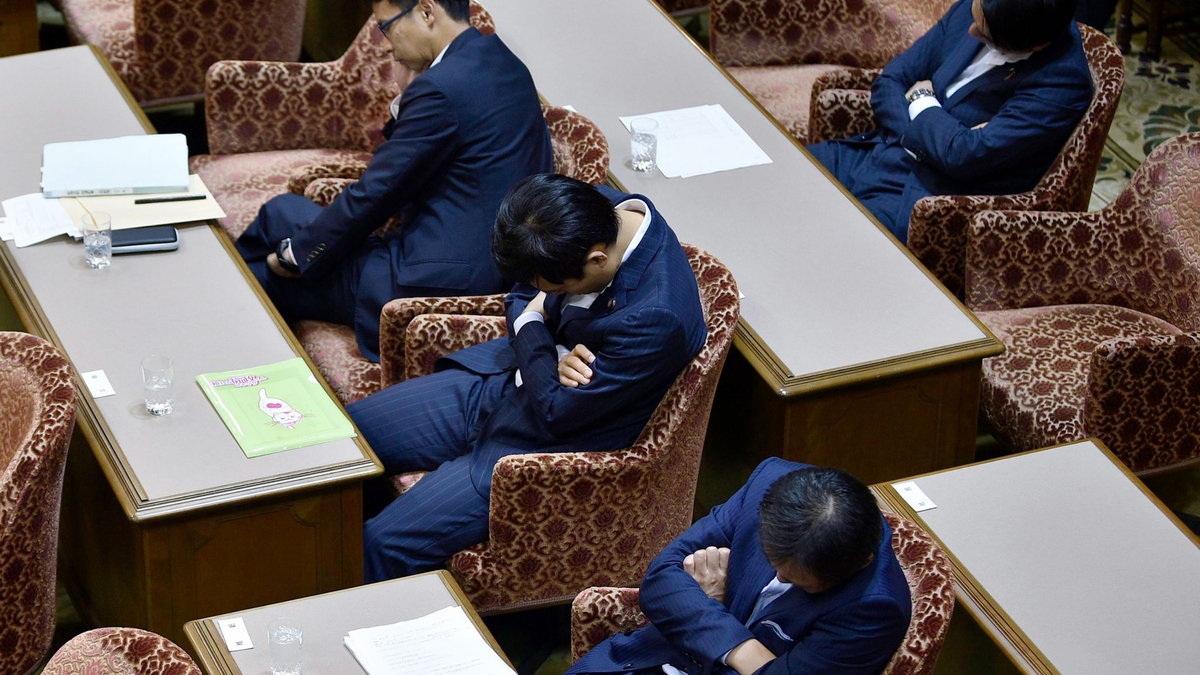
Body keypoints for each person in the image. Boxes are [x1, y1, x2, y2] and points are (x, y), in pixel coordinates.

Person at [348, 174, 708, 582]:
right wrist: (543, 336)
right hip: (498, 383)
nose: (540, 288)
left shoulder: (656, 317)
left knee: (378, 543)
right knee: (343, 437)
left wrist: (535, 324)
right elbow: (521, 293)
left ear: (596, 261)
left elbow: (558, 410)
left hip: (533, 448)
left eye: (551, 287)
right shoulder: (589, 210)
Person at [235, 0, 553, 362]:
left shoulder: (442, 86)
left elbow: (376, 193)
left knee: (261, 274)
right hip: (489, 265)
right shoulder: (504, 62)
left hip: (428, 281)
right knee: (281, 211)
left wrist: (296, 256)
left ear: (427, 12)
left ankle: (223, 290)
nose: (385, 43)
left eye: (386, 26)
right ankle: (233, 270)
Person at [569, 458, 912, 675]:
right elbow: (660, 580)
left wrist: (709, 606)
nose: (778, 579)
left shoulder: (874, 607)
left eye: (800, 582)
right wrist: (741, 647)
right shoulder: (770, 483)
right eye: (775, 562)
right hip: (645, 658)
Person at [806, 0, 1092, 243]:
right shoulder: (977, 7)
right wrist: (930, 135)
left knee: (823, 243)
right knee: (773, 171)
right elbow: (892, 80)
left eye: (984, 34)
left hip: (920, 198)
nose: (971, 30)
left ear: (1038, 44)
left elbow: (964, 155)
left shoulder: (1062, 83)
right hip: (873, 151)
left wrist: (920, 98)